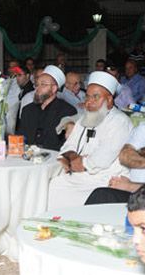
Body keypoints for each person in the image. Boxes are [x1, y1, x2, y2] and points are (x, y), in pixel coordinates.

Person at [47, 71, 133, 208]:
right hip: (81, 174)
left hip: (106, 178)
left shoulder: (119, 121)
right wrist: (73, 157)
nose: (89, 102)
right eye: (87, 96)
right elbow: (68, 145)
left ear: (109, 100)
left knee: (69, 194)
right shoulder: (84, 118)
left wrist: (82, 163)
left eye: (95, 97)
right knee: (52, 185)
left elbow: (103, 158)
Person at [17, 65, 76, 151]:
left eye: (43, 85)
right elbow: (20, 139)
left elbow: (68, 147)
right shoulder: (27, 110)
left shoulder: (67, 111)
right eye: (37, 84)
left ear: (54, 88)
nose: (37, 88)